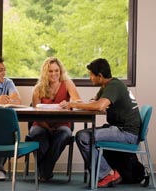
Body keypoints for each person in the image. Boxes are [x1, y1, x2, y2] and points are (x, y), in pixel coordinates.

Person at [60, 58, 141, 188]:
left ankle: (106, 174)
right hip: (120, 129)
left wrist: (72, 103)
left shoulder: (114, 85)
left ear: (100, 76)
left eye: (91, 75)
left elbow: (99, 106)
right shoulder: (106, 86)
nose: (90, 78)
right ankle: (104, 173)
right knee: (83, 135)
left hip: (127, 133)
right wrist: (77, 103)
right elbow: (95, 103)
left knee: (83, 137)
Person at [30, 57, 82, 181]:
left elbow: (79, 102)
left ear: (61, 71)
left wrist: (69, 104)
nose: (54, 74)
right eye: (50, 71)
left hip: (62, 124)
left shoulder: (68, 83)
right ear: (45, 73)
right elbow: (35, 113)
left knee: (64, 134)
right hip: (41, 124)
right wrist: (47, 127)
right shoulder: (38, 89)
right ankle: (45, 172)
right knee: (37, 134)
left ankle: (45, 170)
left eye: (56, 70)